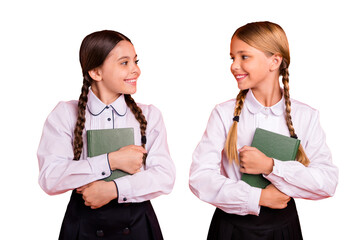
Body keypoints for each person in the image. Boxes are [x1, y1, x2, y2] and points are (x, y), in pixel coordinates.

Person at [189, 21, 338, 240]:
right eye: (233, 58)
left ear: (274, 61)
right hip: (230, 230)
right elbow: (200, 178)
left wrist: (270, 166)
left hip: (283, 230)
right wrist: (257, 197)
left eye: (244, 57)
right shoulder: (223, 113)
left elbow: (327, 182)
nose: (234, 66)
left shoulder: (306, 116)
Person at [37, 30, 175, 240]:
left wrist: (114, 190)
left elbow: (165, 177)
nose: (136, 70)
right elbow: (50, 178)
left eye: (136, 61)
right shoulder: (65, 114)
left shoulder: (149, 115)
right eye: (124, 63)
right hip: (84, 229)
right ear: (96, 72)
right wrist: (112, 161)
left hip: (138, 228)